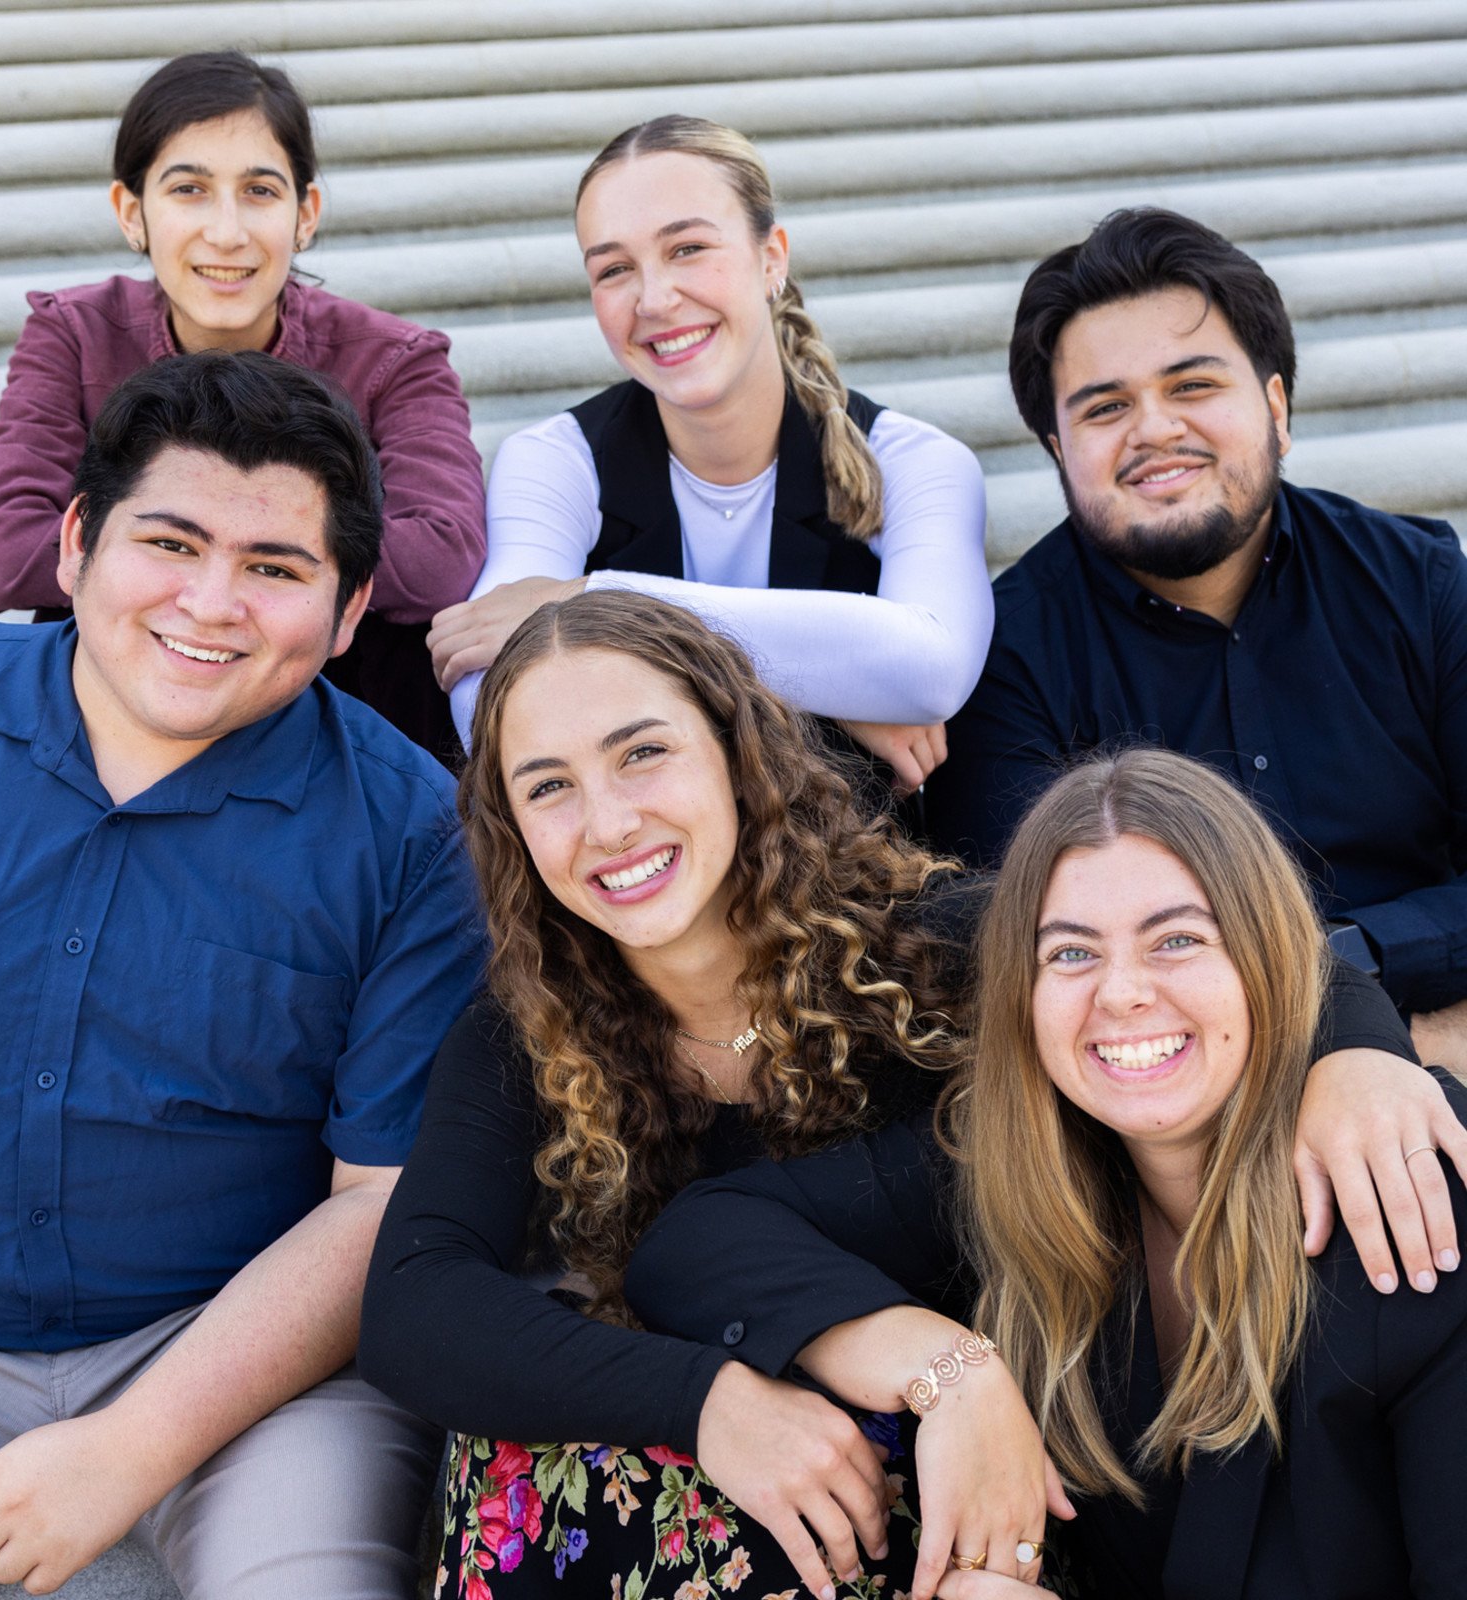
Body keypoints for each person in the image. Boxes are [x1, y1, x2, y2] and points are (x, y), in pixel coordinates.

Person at [361, 591, 1450, 1600]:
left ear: (737, 758)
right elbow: (416, 1307)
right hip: (743, 1432)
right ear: (507, 828)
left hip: (1004, 1466)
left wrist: (1356, 1058)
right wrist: (709, 1399)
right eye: (546, 785)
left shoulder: (929, 941)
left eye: (641, 753)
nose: (605, 823)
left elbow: (1235, 959)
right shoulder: (526, 1030)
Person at [0, 351, 483, 1599]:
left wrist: (129, 1446)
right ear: (78, 541)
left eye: (274, 569)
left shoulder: (418, 830)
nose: (211, 603)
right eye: (170, 543)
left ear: (352, 610)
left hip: (246, 1366)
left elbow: (379, 1201)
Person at [628, 748, 1467, 1598]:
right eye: (1070, 954)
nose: (1124, 993)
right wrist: (950, 1369)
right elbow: (697, 1241)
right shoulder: (1019, 1170)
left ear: (1269, 957)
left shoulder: (1413, 1193)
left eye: (1178, 939)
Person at [924, 206, 1467, 1075]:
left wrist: (1352, 967)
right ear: (1057, 449)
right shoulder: (1002, 660)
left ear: (1276, 406)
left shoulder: (1423, 585)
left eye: (1193, 386)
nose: (1154, 430)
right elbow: (1039, 955)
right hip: (1168, 1094)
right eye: (1107, 407)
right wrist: (1405, 1034)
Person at [427, 116, 991, 809]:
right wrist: (826, 688)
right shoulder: (554, 459)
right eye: (613, 269)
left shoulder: (914, 460)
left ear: (772, 257)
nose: (655, 300)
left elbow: (930, 667)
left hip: (851, 880)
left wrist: (588, 600)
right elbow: (486, 695)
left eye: (688, 248)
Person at [0, 49, 485, 758]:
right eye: (188, 190)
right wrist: (277, 567)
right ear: (132, 211)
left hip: (331, 694)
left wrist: (178, 554)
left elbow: (442, 557)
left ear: (305, 213)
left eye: (260, 192)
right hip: (125, 687)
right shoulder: (76, 334)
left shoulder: (393, 359)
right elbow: (10, 554)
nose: (227, 233)